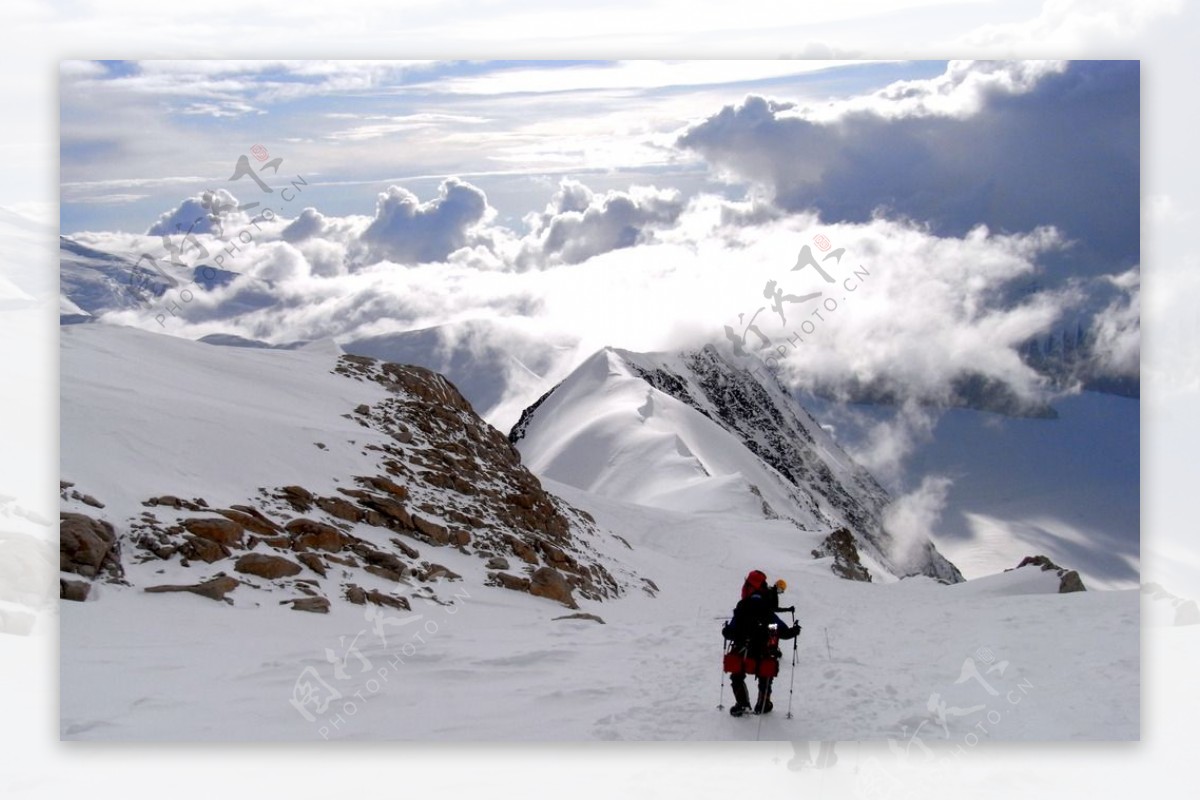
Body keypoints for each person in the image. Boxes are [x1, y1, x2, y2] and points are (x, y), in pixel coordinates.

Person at [723, 571, 800, 716]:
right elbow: (782, 632)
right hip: (763, 653)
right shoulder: (767, 610)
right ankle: (763, 704)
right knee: (766, 675)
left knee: (736, 676)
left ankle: (742, 704)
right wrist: (794, 630)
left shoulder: (742, 608)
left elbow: (730, 632)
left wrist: (727, 630)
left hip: (742, 653)